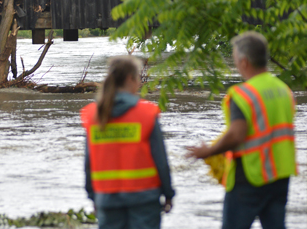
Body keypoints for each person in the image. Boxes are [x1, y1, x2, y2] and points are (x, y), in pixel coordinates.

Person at [187, 31, 297, 229]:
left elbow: (236, 135)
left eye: (236, 59)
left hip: (250, 176)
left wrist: (209, 151)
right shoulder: (284, 90)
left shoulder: (242, 94)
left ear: (244, 62)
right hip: (280, 174)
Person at [80, 55, 175, 229]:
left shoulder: (93, 115)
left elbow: (88, 163)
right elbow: (160, 160)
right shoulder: (146, 113)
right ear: (130, 78)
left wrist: (93, 196)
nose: (139, 83)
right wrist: (168, 193)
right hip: (144, 198)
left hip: (107, 198)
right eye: (138, 78)